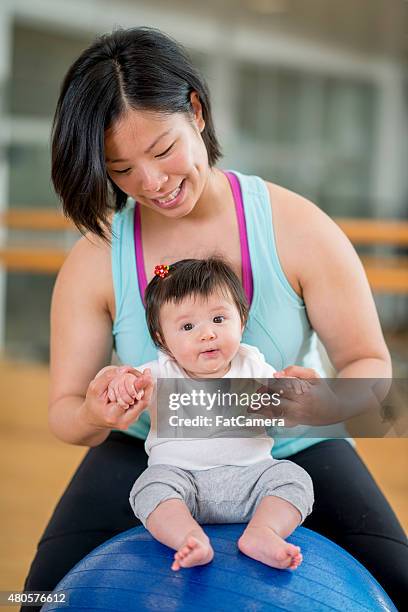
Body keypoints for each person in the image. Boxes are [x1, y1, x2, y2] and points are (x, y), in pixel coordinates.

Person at [22, 26, 407, 610]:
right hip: (152, 451)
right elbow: (64, 413)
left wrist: (329, 403)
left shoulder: (297, 227)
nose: (150, 184)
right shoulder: (96, 257)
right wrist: (96, 413)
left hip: (290, 448)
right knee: (36, 599)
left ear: (196, 112)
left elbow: (372, 366)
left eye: (160, 150)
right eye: (120, 169)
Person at [102, 257, 314, 571]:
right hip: (180, 480)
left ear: (241, 320)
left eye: (218, 319)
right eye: (188, 326)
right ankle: (188, 537)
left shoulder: (253, 365)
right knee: (149, 487)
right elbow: (126, 385)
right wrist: (121, 383)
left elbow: (283, 410)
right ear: (163, 339)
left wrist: (291, 397)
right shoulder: (157, 374)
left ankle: (262, 532)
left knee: (294, 479)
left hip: (252, 477)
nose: (207, 334)